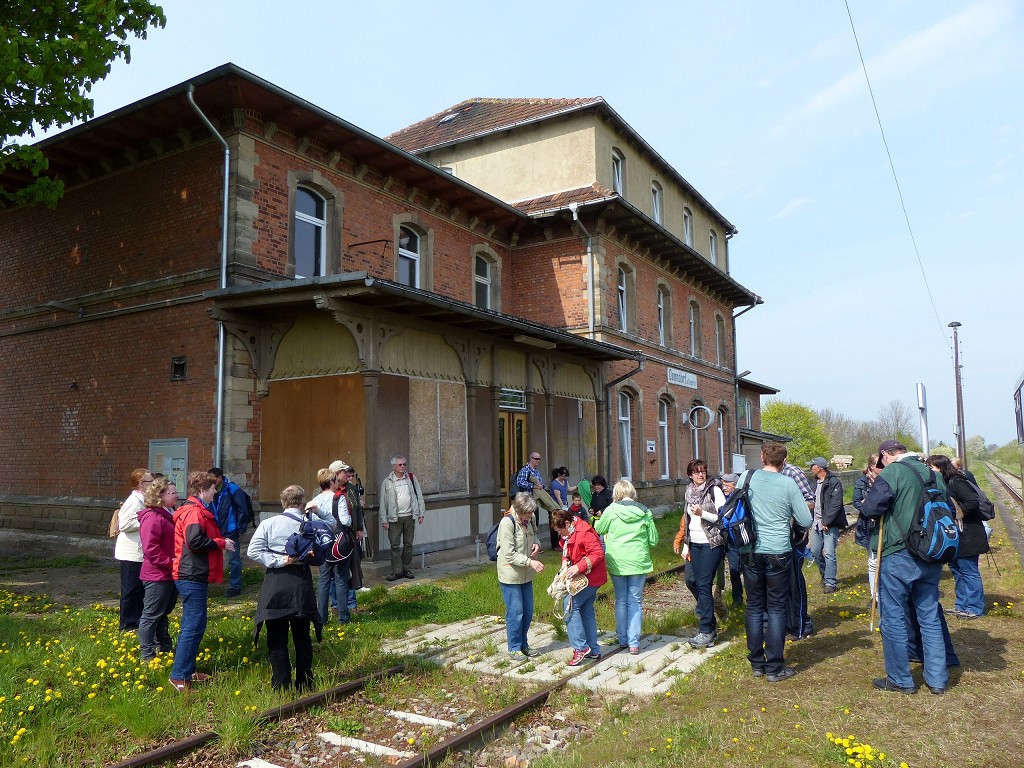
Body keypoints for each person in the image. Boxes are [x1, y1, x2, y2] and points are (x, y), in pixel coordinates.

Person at [862, 439, 949, 695]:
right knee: (929, 616)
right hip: (932, 552)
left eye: (882, 460)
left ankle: (900, 679)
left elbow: (869, 508)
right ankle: (937, 679)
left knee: (893, 616)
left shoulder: (893, 472)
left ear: (886, 455)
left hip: (900, 553)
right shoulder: (934, 474)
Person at [737, 442, 813, 682]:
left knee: (754, 605)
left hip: (750, 549)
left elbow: (736, 508)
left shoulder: (746, 478)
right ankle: (775, 666)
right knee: (778, 606)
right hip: (778, 551)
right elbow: (806, 519)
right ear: (784, 460)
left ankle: (757, 663)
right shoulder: (788, 484)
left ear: (762, 457)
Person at [248, 484, 322, 691]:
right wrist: (317, 511)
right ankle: (305, 683)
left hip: (276, 581)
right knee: (302, 637)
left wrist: (278, 560)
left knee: (276, 637)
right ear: (302, 502)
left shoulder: (269, 523)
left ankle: (281, 685)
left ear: (283, 503)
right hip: (300, 582)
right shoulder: (311, 523)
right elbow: (332, 528)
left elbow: (253, 551)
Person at [169, 471, 234, 692]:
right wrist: (221, 543)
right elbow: (195, 541)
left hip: (193, 573)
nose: (215, 492)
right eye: (212, 488)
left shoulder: (194, 510)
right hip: (190, 574)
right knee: (192, 624)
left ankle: (188, 670)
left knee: (196, 624)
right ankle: (178, 676)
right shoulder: (194, 512)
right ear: (202, 490)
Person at [593, 479, 658, 654]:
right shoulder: (645, 511)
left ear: (616, 494)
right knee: (635, 601)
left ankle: (622, 639)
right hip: (638, 561)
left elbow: (599, 529)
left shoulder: (611, 510)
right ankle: (634, 642)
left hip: (617, 561)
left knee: (621, 600)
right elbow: (654, 539)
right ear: (632, 493)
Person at [673, 460, 727, 648]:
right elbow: (687, 520)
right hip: (694, 543)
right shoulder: (688, 492)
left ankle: (706, 630)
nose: (701, 475)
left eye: (703, 471)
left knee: (704, 584)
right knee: (691, 580)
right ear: (690, 475)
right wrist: (686, 545)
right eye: (697, 472)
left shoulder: (715, 490)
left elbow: (723, 517)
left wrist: (702, 513)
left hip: (712, 543)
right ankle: (710, 618)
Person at [928, 454, 989, 618]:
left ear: (941, 468)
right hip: (955, 533)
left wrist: (953, 514)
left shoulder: (956, 482)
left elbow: (972, 501)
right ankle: (962, 605)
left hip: (968, 533)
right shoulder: (943, 483)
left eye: (932, 468)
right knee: (956, 569)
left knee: (969, 571)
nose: (929, 471)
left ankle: (975, 608)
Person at [551, 507, 607, 666]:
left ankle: (580, 648)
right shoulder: (571, 531)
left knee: (569, 606)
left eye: (561, 531)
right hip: (586, 578)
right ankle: (593, 649)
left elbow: (597, 553)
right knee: (585, 609)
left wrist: (578, 567)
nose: (560, 535)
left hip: (591, 578)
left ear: (568, 523)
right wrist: (565, 561)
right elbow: (567, 548)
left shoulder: (584, 532)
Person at [496, 493, 544, 658]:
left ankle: (524, 644)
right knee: (516, 611)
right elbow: (509, 554)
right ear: (518, 510)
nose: (530, 516)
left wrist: (537, 544)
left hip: (526, 575)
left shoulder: (530, 519)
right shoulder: (507, 523)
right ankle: (514, 647)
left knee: (528, 610)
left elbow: (535, 535)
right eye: (527, 513)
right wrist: (531, 562)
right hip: (510, 574)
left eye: (532, 512)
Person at [137, 477, 178, 663]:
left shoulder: (167, 514)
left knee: (162, 613)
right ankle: (147, 654)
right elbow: (151, 549)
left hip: (168, 573)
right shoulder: (153, 518)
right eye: (173, 493)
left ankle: (164, 647)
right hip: (157, 575)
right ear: (161, 495)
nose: (177, 495)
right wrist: (171, 562)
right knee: (151, 615)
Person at [306, 468, 351, 624]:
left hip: (322, 543)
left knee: (323, 581)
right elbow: (345, 521)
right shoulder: (339, 498)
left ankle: (321, 618)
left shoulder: (315, 500)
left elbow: (309, 522)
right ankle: (343, 618)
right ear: (332, 482)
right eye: (336, 481)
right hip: (339, 543)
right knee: (341, 580)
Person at [780, 458, 815, 639]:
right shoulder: (766, 474)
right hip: (777, 538)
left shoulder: (793, 473)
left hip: (794, 536)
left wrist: (791, 507)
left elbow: (810, 501)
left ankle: (803, 624)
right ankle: (788, 622)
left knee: (794, 581)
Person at [115, 468, 153, 631]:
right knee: (130, 589)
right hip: (130, 553)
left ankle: (136, 620)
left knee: (138, 589)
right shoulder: (134, 501)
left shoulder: (143, 500)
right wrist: (147, 521)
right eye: (151, 481)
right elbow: (123, 525)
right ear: (141, 484)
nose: (153, 484)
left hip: (138, 552)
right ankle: (127, 623)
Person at [208, 467, 254, 598]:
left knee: (234, 560)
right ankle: (211, 581)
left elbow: (242, 509)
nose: (210, 482)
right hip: (215, 529)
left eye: (212, 479)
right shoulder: (211, 489)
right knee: (211, 556)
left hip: (230, 529)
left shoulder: (232, 489)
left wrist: (240, 528)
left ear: (219, 478)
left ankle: (235, 586)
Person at [380, 455, 425, 581]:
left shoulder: (411, 478)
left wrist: (421, 513)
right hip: (394, 519)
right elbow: (383, 502)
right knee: (394, 545)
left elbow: (419, 495)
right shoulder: (387, 481)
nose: (403, 467)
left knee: (408, 544)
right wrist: (384, 519)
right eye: (400, 465)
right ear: (394, 466)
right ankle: (397, 571)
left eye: (404, 464)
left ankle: (406, 569)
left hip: (410, 516)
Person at [808, 457, 847, 594]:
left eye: (812, 465)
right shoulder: (814, 483)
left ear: (819, 467)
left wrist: (827, 521)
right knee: (815, 551)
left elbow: (836, 504)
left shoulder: (833, 482)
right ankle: (825, 576)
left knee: (829, 553)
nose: (810, 468)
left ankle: (831, 583)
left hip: (830, 524)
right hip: (816, 523)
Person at [334, 461, 366, 614]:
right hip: (334, 536)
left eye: (348, 473)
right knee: (337, 572)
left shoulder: (352, 489)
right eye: (344, 472)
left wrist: (359, 528)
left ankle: (352, 604)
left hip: (351, 534)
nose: (347, 475)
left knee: (353, 568)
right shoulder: (325, 491)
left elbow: (358, 510)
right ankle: (335, 605)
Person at [852, 455, 880, 600]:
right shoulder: (862, 481)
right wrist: (867, 508)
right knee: (873, 561)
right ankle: (874, 596)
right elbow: (856, 501)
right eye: (878, 464)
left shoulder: (885, 480)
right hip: (868, 524)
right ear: (871, 466)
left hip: (882, 523)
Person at [514, 451, 560, 524]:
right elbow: (519, 482)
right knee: (527, 522)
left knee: (535, 521)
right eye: (536, 459)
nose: (538, 461)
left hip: (535, 501)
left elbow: (541, 483)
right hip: (526, 501)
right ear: (531, 459)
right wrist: (533, 486)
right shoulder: (525, 470)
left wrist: (541, 486)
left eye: (539, 459)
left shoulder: (536, 471)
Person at [720, 473, 744, 606]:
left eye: (727, 484)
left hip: (741, 539)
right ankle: (737, 599)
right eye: (723, 484)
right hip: (731, 541)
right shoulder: (725, 499)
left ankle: (752, 598)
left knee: (746, 570)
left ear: (735, 486)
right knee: (734, 571)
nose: (724, 487)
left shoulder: (740, 498)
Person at [548, 467, 572, 549]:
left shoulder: (565, 481)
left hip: (564, 504)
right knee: (555, 525)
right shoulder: (555, 484)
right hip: (556, 506)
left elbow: (569, 488)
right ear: (559, 474)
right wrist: (563, 508)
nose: (564, 478)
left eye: (565, 476)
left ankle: (562, 542)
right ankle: (555, 545)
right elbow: (558, 498)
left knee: (563, 524)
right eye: (563, 476)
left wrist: (579, 486)